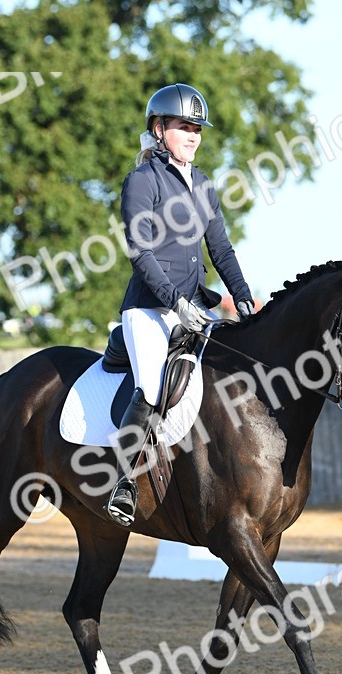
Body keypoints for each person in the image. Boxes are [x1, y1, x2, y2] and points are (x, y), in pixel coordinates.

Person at [105, 82, 256, 527]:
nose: (193, 136)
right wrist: (174, 300)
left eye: (197, 129)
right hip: (149, 309)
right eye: (184, 127)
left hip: (194, 307)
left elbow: (221, 249)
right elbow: (140, 251)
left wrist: (242, 296)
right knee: (154, 388)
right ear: (159, 129)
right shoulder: (142, 180)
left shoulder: (204, 185)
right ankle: (123, 481)